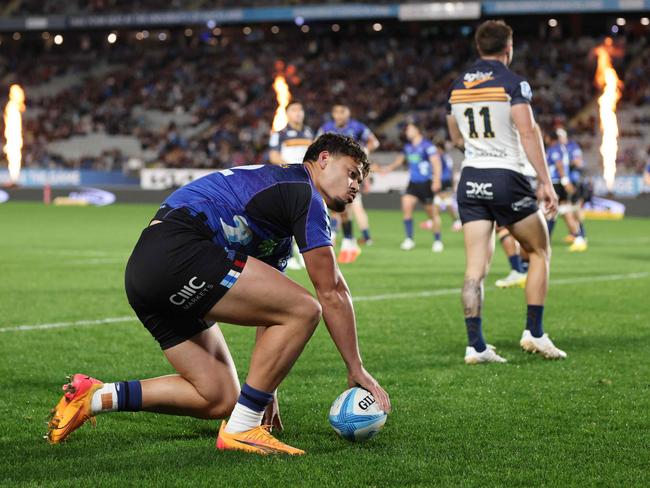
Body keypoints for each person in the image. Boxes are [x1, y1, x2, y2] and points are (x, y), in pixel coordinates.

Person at [47, 134, 391, 455]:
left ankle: (96, 397)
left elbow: (271, 309)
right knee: (306, 308)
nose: (355, 186)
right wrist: (355, 367)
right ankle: (242, 429)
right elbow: (332, 290)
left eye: (360, 181)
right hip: (179, 250)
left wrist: (266, 389)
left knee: (219, 397)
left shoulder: (281, 221)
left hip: (146, 274)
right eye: (351, 173)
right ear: (323, 159)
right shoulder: (304, 192)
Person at [446, 20, 566, 364]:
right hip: (506, 177)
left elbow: (455, 137)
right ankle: (535, 333)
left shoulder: (456, 87)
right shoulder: (513, 83)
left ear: (479, 48)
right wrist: (545, 181)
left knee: (474, 269)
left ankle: (476, 346)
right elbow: (528, 132)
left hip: (470, 179)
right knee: (539, 251)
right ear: (508, 48)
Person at [318, 103, 380, 263]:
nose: (340, 115)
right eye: (337, 112)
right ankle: (347, 239)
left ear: (348, 113)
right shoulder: (326, 128)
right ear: (333, 113)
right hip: (331, 172)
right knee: (337, 206)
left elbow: (374, 142)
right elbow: (316, 145)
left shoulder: (357, 127)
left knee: (345, 205)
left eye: (343, 111)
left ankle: (344, 239)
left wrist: (365, 151)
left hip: (349, 173)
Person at [378, 122, 444, 252]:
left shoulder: (427, 146)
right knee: (406, 207)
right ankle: (409, 239)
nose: (407, 132)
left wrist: (437, 180)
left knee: (432, 214)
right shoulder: (408, 147)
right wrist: (388, 169)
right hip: (413, 183)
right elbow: (400, 161)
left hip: (426, 183)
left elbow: (436, 163)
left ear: (417, 130)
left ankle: (437, 240)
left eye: (409, 129)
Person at [268, 100, 315, 269]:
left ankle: (302, 253)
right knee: (288, 219)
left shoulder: (309, 133)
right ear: (287, 114)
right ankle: (288, 255)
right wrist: (292, 169)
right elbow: (274, 156)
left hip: (307, 180)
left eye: (300, 110)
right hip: (287, 179)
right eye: (294, 110)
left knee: (307, 218)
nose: (298, 113)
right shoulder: (279, 134)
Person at [545, 130, 587, 252]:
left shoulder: (554, 149)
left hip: (557, 183)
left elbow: (559, 165)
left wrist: (564, 180)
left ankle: (579, 237)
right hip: (560, 182)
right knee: (560, 211)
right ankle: (578, 237)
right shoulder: (562, 149)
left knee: (556, 211)